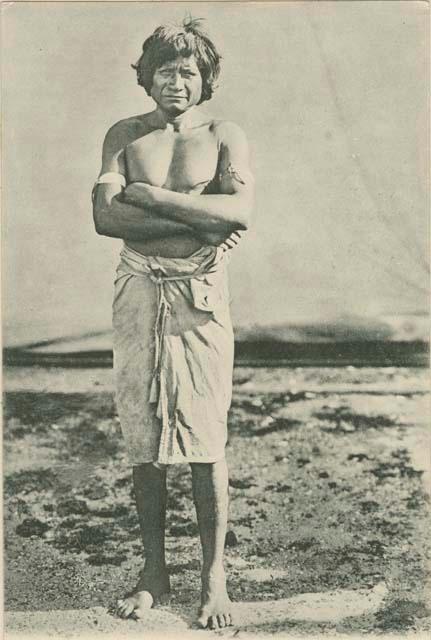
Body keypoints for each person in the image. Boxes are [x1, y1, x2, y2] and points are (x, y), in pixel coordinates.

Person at [92, 17, 254, 630]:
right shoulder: (125, 136)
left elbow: (239, 212)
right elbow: (107, 220)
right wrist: (200, 218)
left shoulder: (223, 135)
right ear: (148, 76)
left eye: (187, 71)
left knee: (206, 434)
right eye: (165, 70)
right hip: (138, 290)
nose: (176, 81)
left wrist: (154, 199)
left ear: (204, 78)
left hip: (201, 294)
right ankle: (153, 572)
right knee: (143, 430)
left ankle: (214, 577)